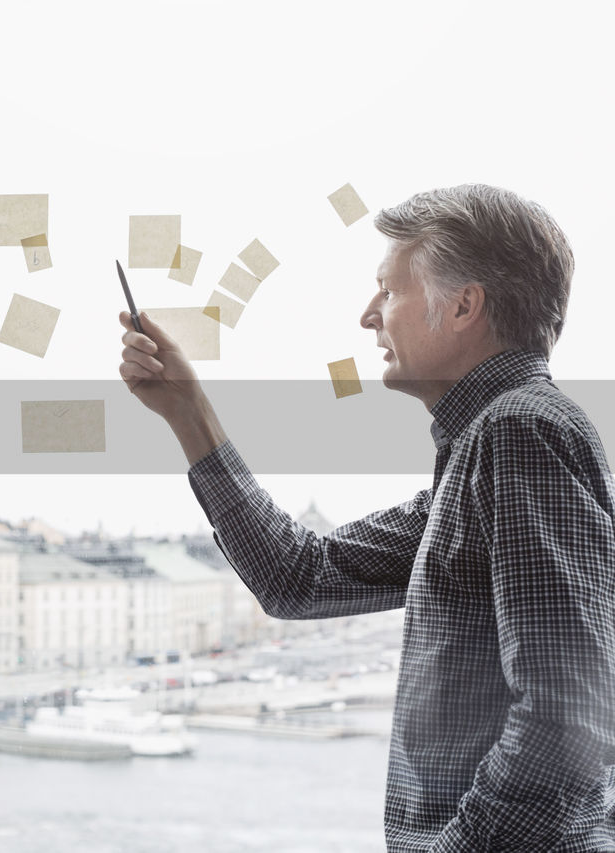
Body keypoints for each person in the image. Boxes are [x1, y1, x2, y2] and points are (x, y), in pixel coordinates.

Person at [120, 184, 615, 851]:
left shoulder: (519, 433)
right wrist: (187, 410)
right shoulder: (485, 447)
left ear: (465, 304)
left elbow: (567, 724)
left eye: (388, 290)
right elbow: (300, 577)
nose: (367, 315)